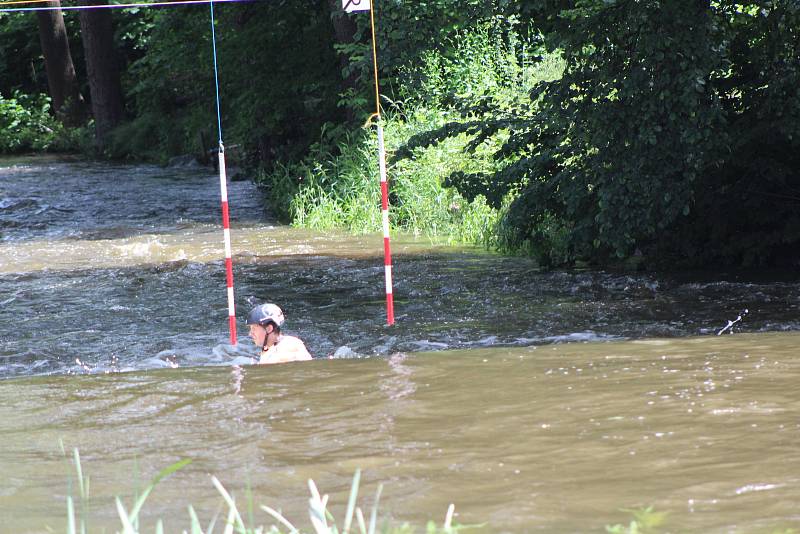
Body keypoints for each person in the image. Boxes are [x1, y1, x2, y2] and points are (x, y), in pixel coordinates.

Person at [245, 303, 312, 364]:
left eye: (254, 328)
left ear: (269, 329)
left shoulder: (287, 348)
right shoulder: (270, 347)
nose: (250, 334)